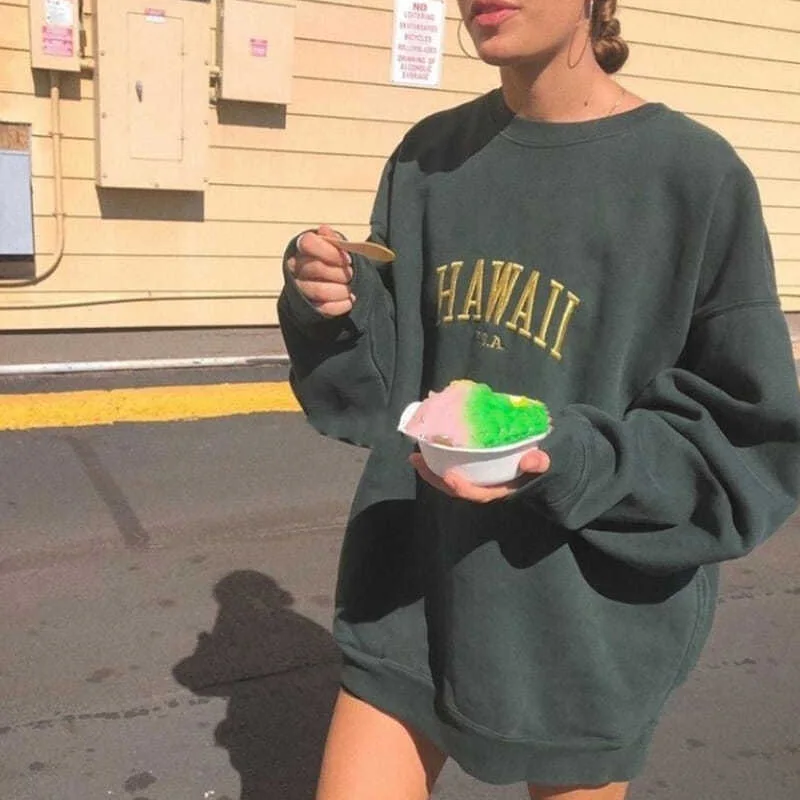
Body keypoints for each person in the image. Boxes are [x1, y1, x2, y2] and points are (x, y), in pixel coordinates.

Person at [278, 1, 800, 798]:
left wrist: (575, 459)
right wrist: (336, 308)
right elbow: (382, 395)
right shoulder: (428, 158)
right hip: (414, 594)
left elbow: (744, 444)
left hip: (582, 628)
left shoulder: (694, 177)